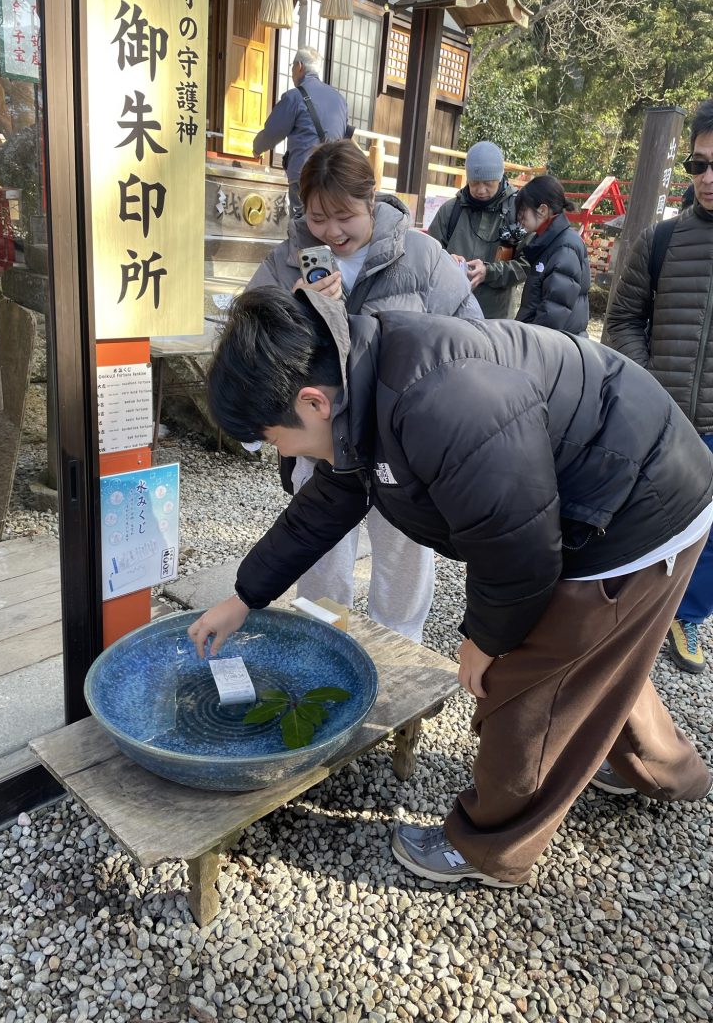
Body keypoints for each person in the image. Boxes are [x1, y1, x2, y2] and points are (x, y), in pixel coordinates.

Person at [188, 285, 713, 889]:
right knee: (594, 653)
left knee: (527, 686)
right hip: (613, 485)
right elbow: (330, 500)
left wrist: (484, 639)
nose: (276, 451)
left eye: (271, 437)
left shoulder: (440, 401)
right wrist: (244, 596)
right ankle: (664, 770)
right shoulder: (357, 382)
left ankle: (491, 849)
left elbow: (517, 549)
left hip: (636, 505)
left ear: (311, 402)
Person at [247, 139, 483, 642]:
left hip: (404, 442)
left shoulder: (420, 254)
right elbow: (249, 342)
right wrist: (296, 310)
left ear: (371, 200)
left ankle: (399, 645)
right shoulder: (287, 262)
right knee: (321, 547)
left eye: (344, 216)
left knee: (403, 549)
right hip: (322, 438)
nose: (331, 232)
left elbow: (471, 333)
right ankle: (322, 640)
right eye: (317, 217)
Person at [605, 97, 713, 674]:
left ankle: (687, 614)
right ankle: (619, 615)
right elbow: (622, 319)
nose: (707, 177)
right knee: (631, 518)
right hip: (663, 421)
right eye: (698, 165)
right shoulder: (662, 240)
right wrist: (647, 385)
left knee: (712, 535)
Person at [427, 141, 529, 318]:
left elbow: (527, 264)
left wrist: (489, 272)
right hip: (450, 313)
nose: (481, 190)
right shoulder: (451, 210)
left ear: (500, 177)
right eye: (474, 183)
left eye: (488, 183)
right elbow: (429, 255)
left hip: (495, 318)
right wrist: (446, 261)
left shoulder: (518, 212)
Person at [252, 47, 349, 218]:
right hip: (333, 176)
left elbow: (273, 132)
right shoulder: (339, 99)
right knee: (325, 223)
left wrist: (257, 148)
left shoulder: (294, 97)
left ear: (298, 66)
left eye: (292, 67)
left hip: (305, 175)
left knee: (302, 225)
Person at [514, 175, 590, 334]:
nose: (519, 219)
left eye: (523, 211)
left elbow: (553, 312)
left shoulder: (565, 246)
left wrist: (528, 344)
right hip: (547, 341)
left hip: (554, 346)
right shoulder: (549, 241)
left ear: (542, 210)